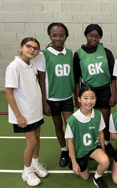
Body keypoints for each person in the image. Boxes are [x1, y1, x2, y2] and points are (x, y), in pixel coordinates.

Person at [5, 37, 48, 186]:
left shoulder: (33, 65)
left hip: (35, 110)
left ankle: (35, 164)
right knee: (31, 142)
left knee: (37, 138)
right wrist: (18, 116)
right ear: (21, 47)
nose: (32, 50)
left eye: (36, 48)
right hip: (24, 113)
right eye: (29, 46)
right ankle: (26, 171)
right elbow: (8, 93)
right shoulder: (14, 66)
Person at [73, 24, 116, 157]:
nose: (94, 38)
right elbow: (76, 79)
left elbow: (114, 76)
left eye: (97, 36)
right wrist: (77, 98)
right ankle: (94, 144)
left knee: (105, 120)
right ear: (86, 35)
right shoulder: (78, 54)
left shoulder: (106, 52)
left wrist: (113, 94)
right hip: (88, 92)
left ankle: (107, 143)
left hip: (104, 91)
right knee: (91, 121)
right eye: (91, 35)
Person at [36, 23, 75, 167]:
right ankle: (64, 150)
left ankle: (72, 152)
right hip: (52, 98)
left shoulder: (70, 53)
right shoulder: (43, 55)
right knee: (58, 125)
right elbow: (41, 80)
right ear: (49, 36)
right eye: (54, 35)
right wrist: (44, 102)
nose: (58, 38)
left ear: (66, 36)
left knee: (69, 126)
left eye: (61, 35)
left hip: (67, 97)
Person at [65, 85, 109, 188]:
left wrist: (102, 149)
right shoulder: (72, 120)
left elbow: (101, 133)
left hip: (92, 147)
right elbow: (70, 142)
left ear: (96, 99)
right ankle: (75, 163)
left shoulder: (98, 114)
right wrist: (74, 162)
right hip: (79, 151)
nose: (89, 101)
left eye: (92, 98)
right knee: (85, 177)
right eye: (85, 98)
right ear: (79, 99)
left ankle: (97, 177)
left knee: (105, 161)